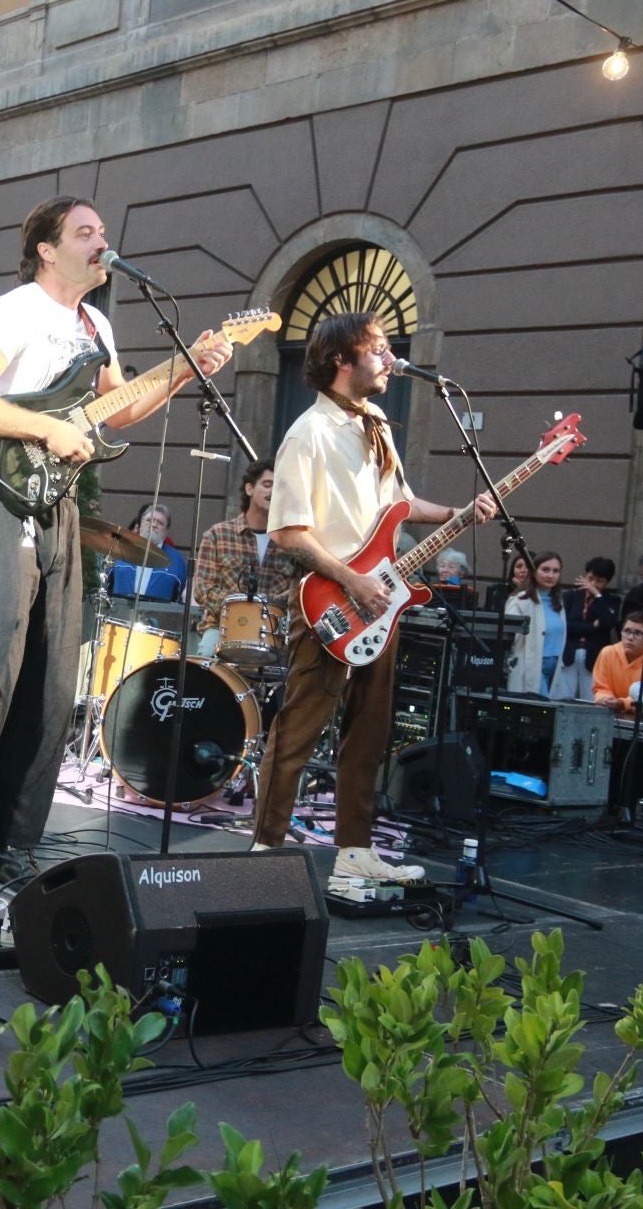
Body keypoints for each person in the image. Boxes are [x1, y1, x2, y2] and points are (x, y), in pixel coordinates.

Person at [0, 195, 233, 891]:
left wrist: (188, 365)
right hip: (0, 498)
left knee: (52, 688)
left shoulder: (96, 323)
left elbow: (121, 406)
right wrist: (48, 430)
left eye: (104, 233)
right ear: (48, 250)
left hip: (60, 507)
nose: (101, 243)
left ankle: (8, 851)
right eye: (85, 233)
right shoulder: (15, 310)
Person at [249, 313, 496, 883]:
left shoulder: (377, 421)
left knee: (370, 728)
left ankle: (354, 852)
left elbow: (401, 504)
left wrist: (461, 514)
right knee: (300, 727)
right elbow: (288, 532)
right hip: (327, 600)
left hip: (380, 600)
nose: (390, 359)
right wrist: (351, 579)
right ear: (342, 359)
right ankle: (261, 852)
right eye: (379, 350)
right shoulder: (306, 434)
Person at [191, 461, 297, 655]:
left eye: (279, 486)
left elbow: (298, 590)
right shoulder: (218, 534)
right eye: (267, 484)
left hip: (274, 633)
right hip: (222, 628)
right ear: (249, 488)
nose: (273, 492)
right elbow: (203, 589)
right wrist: (244, 607)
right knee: (206, 662)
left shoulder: (290, 541)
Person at [550, 555, 620, 700]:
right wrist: (592, 626)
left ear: (607, 583)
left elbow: (607, 623)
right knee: (562, 699)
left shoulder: (611, 601)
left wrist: (596, 595)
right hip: (569, 654)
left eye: (599, 581)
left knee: (590, 700)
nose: (592, 584)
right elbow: (564, 625)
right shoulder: (570, 596)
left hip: (593, 658)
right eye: (590, 578)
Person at [503, 551, 565, 695]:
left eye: (555, 571)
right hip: (530, 667)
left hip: (555, 669)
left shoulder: (558, 602)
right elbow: (509, 639)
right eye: (545, 570)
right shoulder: (519, 601)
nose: (550, 575)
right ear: (534, 571)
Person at [108, 502, 188, 602]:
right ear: (140, 524)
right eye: (149, 520)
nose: (154, 525)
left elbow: (181, 599)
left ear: (166, 531)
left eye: (160, 523)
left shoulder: (176, 560)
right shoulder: (121, 550)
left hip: (159, 616)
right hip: (119, 613)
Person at [592, 611, 643, 714]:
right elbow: (601, 687)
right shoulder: (608, 653)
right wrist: (606, 699)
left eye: (638, 633)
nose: (630, 637)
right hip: (609, 711)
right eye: (627, 631)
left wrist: (623, 703)